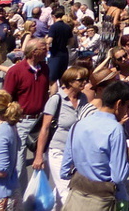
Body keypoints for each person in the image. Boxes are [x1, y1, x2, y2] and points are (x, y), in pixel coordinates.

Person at [60, 80, 129, 211]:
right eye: (127, 107)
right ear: (118, 104)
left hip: (76, 197)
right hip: (101, 200)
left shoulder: (79, 124)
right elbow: (118, 176)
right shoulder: (115, 130)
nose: (127, 113)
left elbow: (65, 170)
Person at [33, 66, 89, 208]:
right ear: (70, 81)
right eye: (80, 80)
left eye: (85, 79)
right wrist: (39, 156)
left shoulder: (83, 98)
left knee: (61, 191)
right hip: (58, 150)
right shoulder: (56, 100)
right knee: (66, 190)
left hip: (76, 152)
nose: (84, 83)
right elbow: (44, 128)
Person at [3, 37, 50, 182]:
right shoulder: (16, 71)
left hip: (41, 121)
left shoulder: (45, 68)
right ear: (34, 52)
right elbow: (6, 98)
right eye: (44, 48)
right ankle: (21, 199)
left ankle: (40, 197)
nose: (47, 51)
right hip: (22, 122)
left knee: (43, 160)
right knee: (19, 163)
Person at [47, 6, 74, 83]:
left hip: (55, 54)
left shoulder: (53, 27)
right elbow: (71, 42)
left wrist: (46, 45)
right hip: (65, 53)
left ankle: (54, 94)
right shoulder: (67, 27)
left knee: (52, 78)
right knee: (62, 77)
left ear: (53, 16)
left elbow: (49, 41)